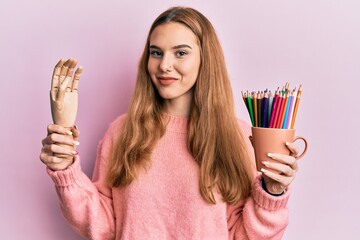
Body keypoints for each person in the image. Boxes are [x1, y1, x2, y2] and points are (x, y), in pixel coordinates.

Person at [40, 6, 299, 240]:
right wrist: (66, 172)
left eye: (181, 53)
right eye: (156, 52)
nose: (164, 65)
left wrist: (272, 193)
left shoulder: (238, 137)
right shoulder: (122, 133)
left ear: (205, 59)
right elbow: (103, 225)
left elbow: (245, 236)